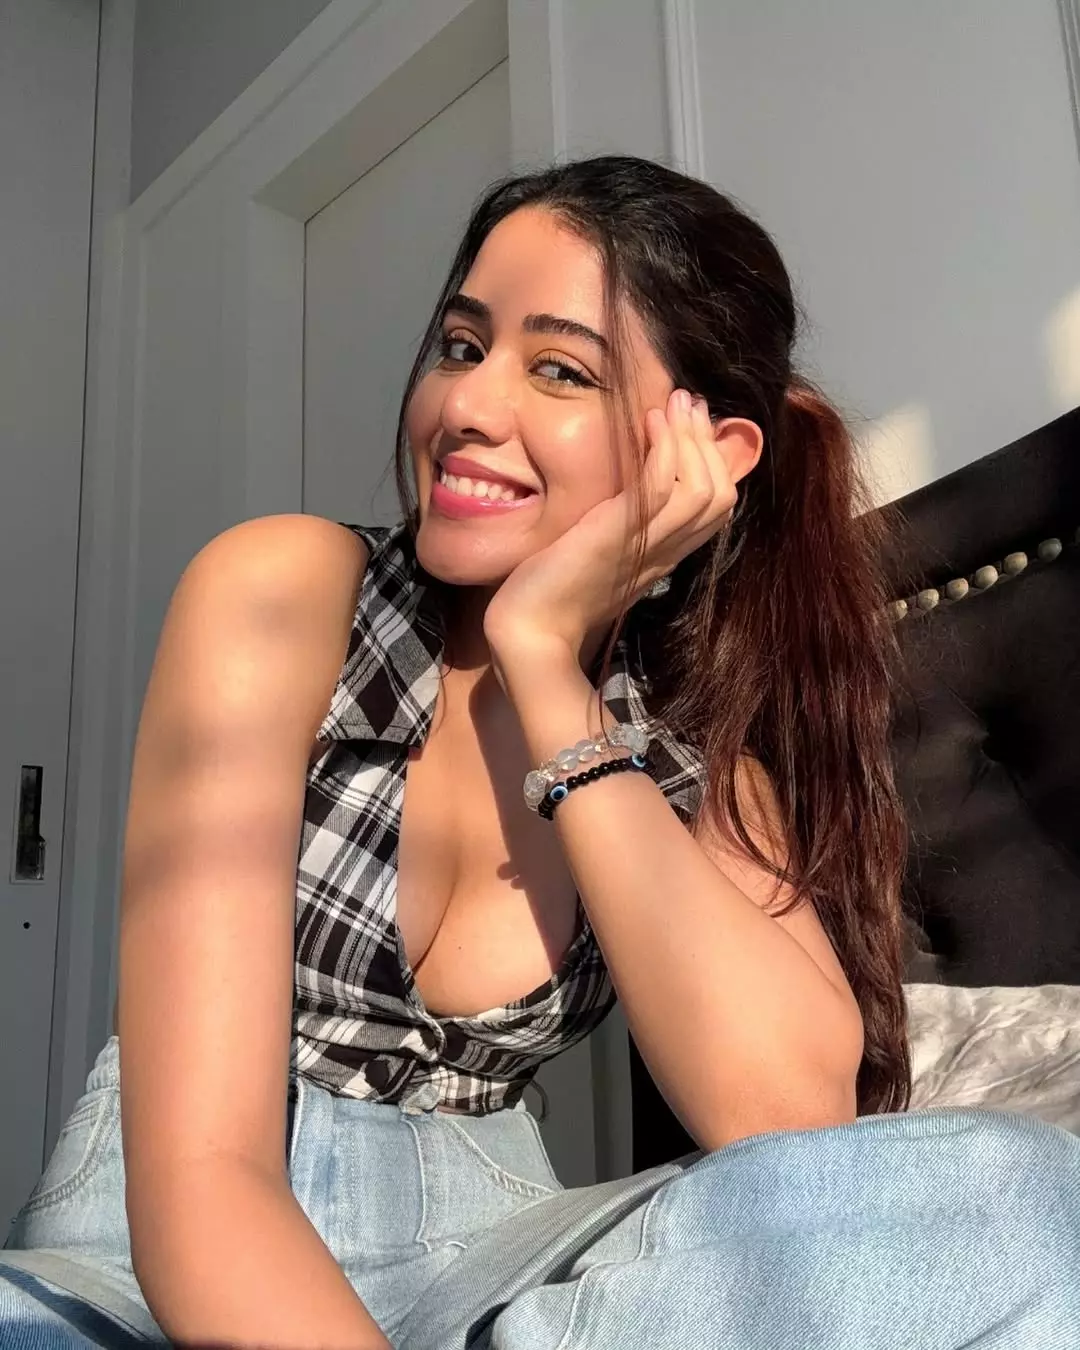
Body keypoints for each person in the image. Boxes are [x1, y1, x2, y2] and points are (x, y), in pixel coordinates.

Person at [2, 154, 1077, 1350]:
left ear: (707, 456)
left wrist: (548, 667)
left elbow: (788, 1124)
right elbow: (205, 1178)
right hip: (154, 1255)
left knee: (1022, 1203)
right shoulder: (285, 591)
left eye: (559, 368)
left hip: (486, 1256)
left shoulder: (698, 762)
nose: (466, 404)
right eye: (462, 346)